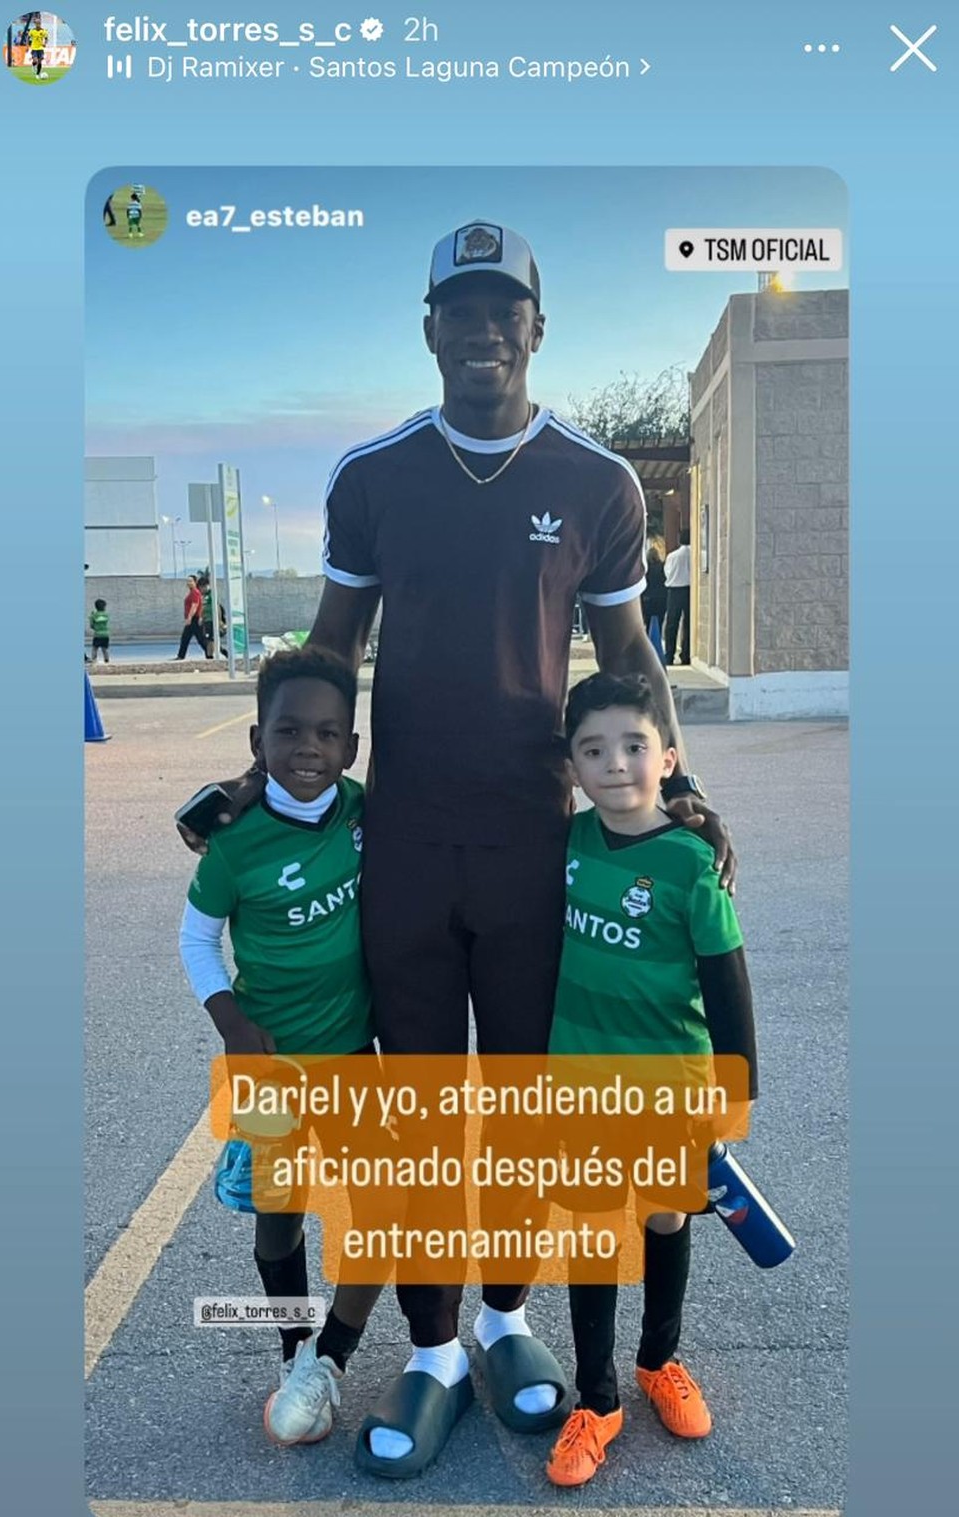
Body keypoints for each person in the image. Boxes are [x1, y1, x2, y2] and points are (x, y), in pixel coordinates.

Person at [178, 221, 735, 1476]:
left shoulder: (598, 481)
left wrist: (679, 784)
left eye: (506, 311)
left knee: (532, 1100)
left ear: (539, 327)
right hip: (411, 846)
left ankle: (506, 1316)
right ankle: (431, 1350)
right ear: (428, 326)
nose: (484, 332)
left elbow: (631, 660)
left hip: (537, 842)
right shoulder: (374, 475)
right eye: (461, 311)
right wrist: (255, 777)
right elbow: (325, 653)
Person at [544, 671, 757, 1487]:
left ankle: (658, 1359)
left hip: (669, 1088)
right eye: (593, 749)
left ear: (667, 756)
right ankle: (596, 1400)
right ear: (571, 765)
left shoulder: (690, 860)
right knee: (596, 1230)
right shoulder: (565, 842)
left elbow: (729, 985)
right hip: (583, 1087)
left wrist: (735, 1095)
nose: (615, 763)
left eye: (634, 745)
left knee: (665, 1218)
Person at [179, 647, 385, 1446]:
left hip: (353, 1060)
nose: (309, 747)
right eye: (289, 730)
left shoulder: (366, 812)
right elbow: (196, 938)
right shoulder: (234, 845)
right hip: (271, 1072)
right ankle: (292, 1345)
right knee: (279, 1214)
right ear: (258, 739)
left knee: (379, 1208)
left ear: (351, 747)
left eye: (327, 733)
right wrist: (231, 1023)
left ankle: (330, 1356)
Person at [663, 528, 692, 666]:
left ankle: (669, 655)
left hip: (674, 591)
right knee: (688, 624)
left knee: (671, 624)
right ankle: (686, 655)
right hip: (689, 590)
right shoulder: (694, 554)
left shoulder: (672, 556)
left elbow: (667, 573)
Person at [175, 575, 208, 660]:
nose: (189, 583)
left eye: (191, 581)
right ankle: (181, 656)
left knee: (200, 639)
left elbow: (195, 606)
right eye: (188, 581)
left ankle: (211, 654)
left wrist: (189, 618)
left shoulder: (195, 592)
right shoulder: (192, 592)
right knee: (186, 638)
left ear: (195, 582)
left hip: (194, 619)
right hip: (192, 619)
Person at [640, 542, 668, 642]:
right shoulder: (662, 567)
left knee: (648, 621)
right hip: (661, 597)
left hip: (648, 598)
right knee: (660, 620)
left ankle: (648, 640)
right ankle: (658, 639)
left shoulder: (645, 569)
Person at [198, 574, 228, 659]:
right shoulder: (204, 596)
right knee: (210, 639)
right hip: (206, 621)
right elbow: (203, 608)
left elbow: (217, 608)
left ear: (207, 586)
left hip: (212, 620)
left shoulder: (212, 595)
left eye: (202, 588)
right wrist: (201, 618)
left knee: (210, 639)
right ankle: (221, 652)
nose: (201, 590)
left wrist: (219, 621)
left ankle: (210, 656)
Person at [89, 598, 111, 663]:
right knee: (105, 648)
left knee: (94, 648)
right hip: (105, 634)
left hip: (97, 634)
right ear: (104, 607)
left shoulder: (94, 615)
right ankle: (106, 659)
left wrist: (91, 616)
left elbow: (91, 625)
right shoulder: (106, 615)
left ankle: (94, 659)